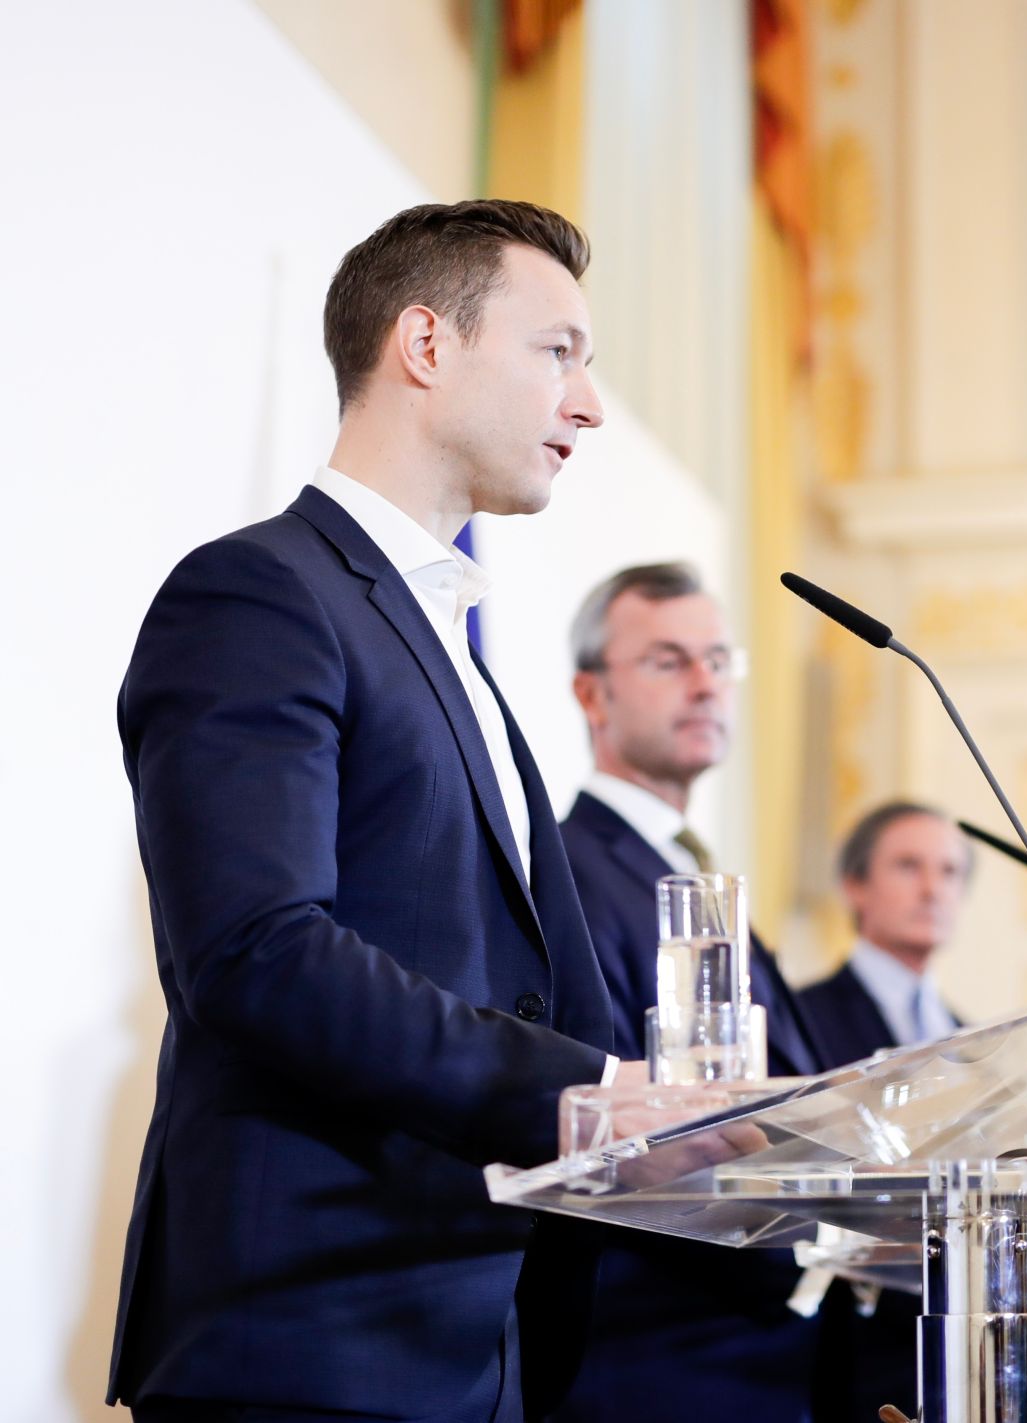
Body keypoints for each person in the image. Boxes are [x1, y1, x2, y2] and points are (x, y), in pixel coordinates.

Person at [108, 200, 671, 1423]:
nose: (587, 404)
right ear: (425, 345)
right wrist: (579, 1092)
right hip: (309, 1337)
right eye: (557, 351)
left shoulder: (452, 637)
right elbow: (254, 953)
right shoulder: (257, 592)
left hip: (481, 1342)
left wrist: (707, 1115)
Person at [553, 562, 828, 1423]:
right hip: (655, 1362)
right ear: (592, 695)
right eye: (669, 661)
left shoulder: (698, 872)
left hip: (765, 1355)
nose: (707, 682)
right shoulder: (562, 870)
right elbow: (612, 1121)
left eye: (718, 658)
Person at [798, 801, 974, 1423]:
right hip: (838, 1351)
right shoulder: (800, 1018)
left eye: (950, 872)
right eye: (909, 866)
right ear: (855, 886)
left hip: (953, 1347)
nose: (933, 888)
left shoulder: (974, 1039)